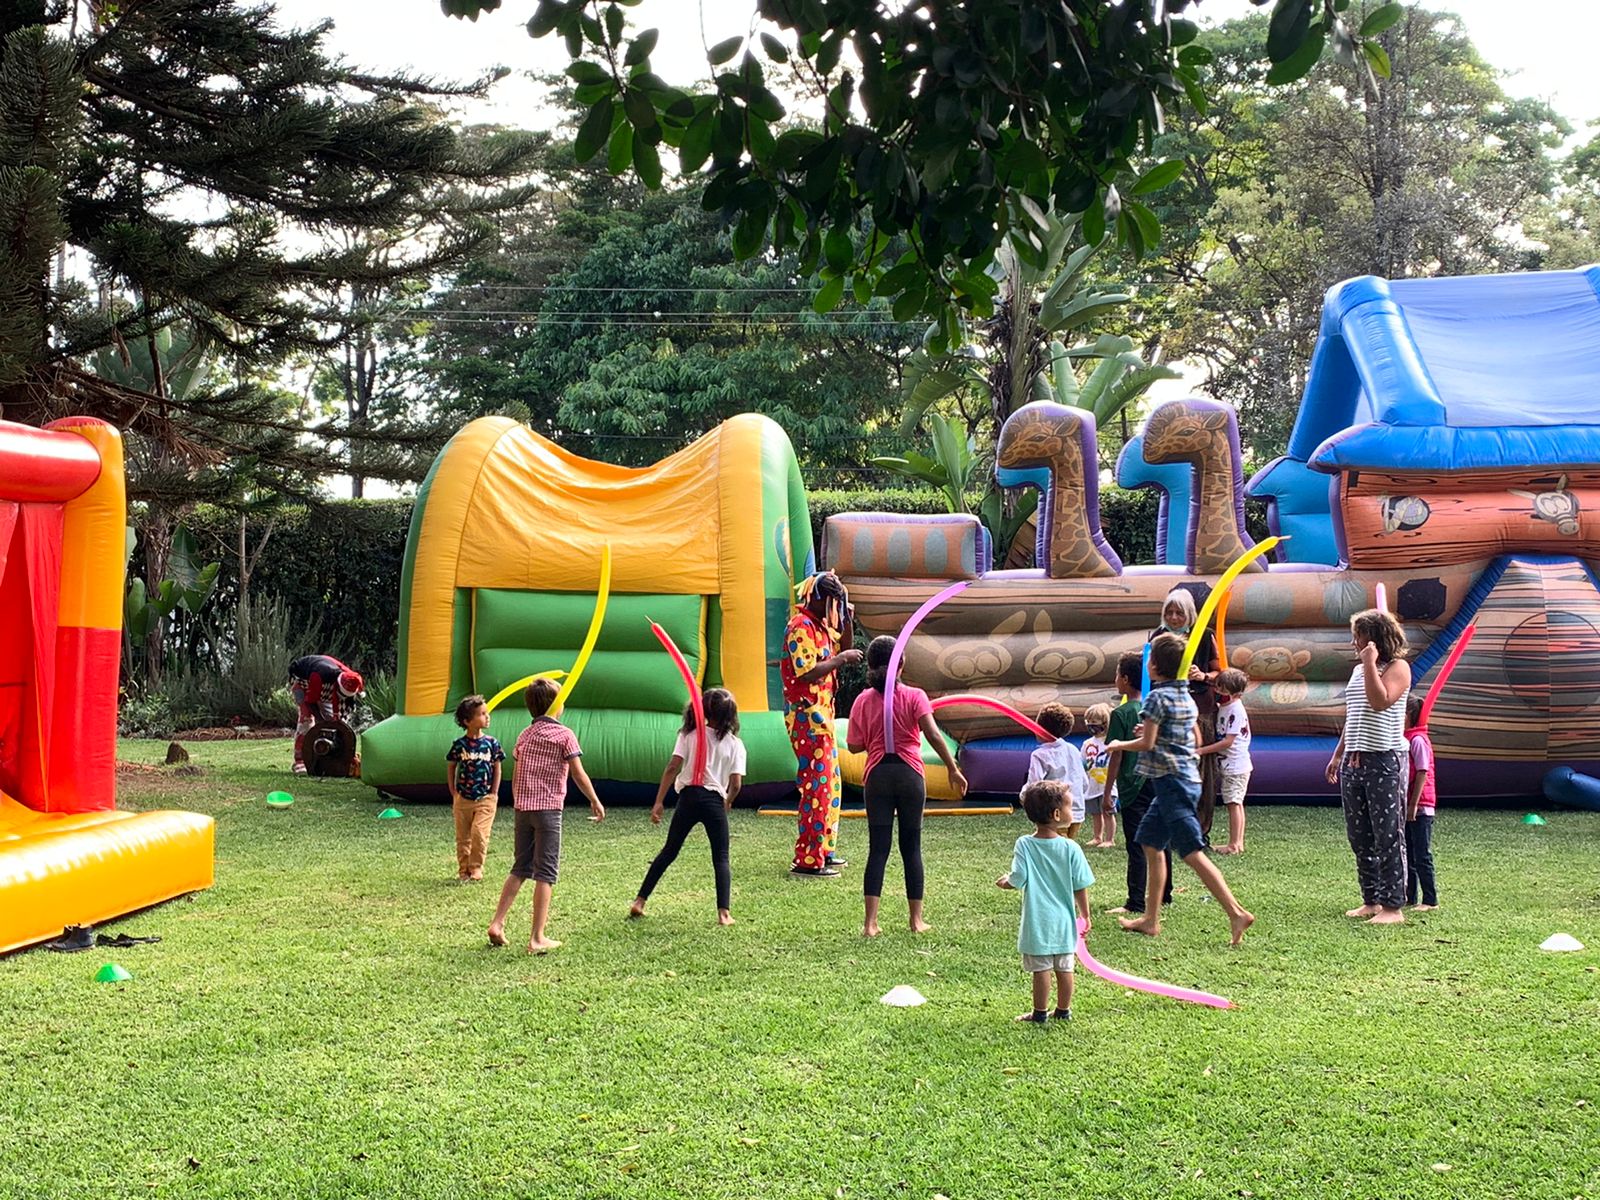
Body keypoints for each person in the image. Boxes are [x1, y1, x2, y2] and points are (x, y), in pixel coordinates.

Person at [1107, 633, 1254, 946]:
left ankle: (1236, 912)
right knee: (1150, 842)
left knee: (1192, 853)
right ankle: (1150, 919)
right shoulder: (1184, 695)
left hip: (1173, 784)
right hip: (1179, 782)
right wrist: (1153, 732)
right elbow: (1187, 735)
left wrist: (1119, 743)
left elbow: (1147, 743)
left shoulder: (1156, 698)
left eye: (1150, 659)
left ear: (1155, 666)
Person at [846, 636, 969, 938]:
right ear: (901, 664)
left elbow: (853, 746)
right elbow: (933, 735)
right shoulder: (915, 696)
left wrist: (874, 736)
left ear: (870, 665)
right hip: (910, 776)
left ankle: (870, 923)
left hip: (877, 777)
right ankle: (916, 920)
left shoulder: (862, 700)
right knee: (911, 848)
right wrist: (953, 768)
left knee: (878, 849)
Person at [487, 677, 606, 953]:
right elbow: (578, 773)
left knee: (520, 867)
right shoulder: (564, 735)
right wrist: (594, 800)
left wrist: (519, 801)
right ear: (556, 705)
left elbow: (518, 771)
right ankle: (537, 937)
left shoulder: (525, 735)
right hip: (548, 810)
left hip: (523, 809)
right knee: (546, 872)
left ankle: (497, 923)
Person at [630, 688, 746, 926]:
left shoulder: (688, 734)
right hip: (714, 800)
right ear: (731, 715)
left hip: (689, 798)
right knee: (721, 857)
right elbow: (735, 784)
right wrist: (727, 801)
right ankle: (724, 914)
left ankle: (639, 901)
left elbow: (672, 767)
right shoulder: (735, 744)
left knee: (669, 851)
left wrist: (659, 801)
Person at [1325, 609, 1411, 926]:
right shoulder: (1360, 670)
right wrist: (1338, 754)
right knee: (1360, 836)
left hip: (1384, 760)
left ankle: (1393, 907)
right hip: (1355, 759)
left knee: (1387, 835)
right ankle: (1371, 900)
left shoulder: (1398, 667)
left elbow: (1380, 701)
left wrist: (1371, 663)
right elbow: (1356, 715)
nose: (1354, 643)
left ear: (1374, 639)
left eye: (1358, 637)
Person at [782, 571, 862, 877]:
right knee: (816, 788)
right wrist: (840, 660)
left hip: (823, 716)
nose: (835, 608)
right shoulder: (800, 626)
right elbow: (806, 672)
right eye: (833, 602)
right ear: (819, 599)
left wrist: (848, 618)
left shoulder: (820, 626)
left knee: (830, 786)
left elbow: (845, 646)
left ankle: (824, 850)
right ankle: (807, 859)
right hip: (807, 717)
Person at [997, 781, 1094, 1024]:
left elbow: (1018, 878)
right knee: (1065, 967)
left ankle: (1039, 1013)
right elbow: (1080, 884)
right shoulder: (1071, 847)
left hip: (1037, 921)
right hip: (1064, 921)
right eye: (1070, 806)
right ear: (1057, 814)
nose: (1073, 810)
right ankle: (1063, 1010)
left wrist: (1006, 882)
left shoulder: (1025, 844)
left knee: (1041, 969)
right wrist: (1085, 915)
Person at [1149, 588, 1222, 837]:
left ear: (1189, 614)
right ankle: (1171, 827)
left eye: (1179, 612)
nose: (1173, 617)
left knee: (1200, 769)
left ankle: (1199, 829)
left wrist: (1202, 675)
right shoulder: (1158, 637)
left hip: (1200, 709)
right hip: (1167, 711)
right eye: (1169, 612)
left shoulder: (1204, 635)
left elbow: (1220, 672)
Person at [1104, 652, 1171, 915]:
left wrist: (1108, 791)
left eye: (1116, 674)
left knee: (1136, 843)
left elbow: (1116, 755)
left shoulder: (1120, 713)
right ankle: (1165, 893)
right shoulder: (1153, 708)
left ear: (1124, 679)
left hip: (1133, 785)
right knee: (1161, 837)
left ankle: (1135, 901)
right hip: (1157, 779)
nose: (1115, 679)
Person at [446, 694, 503, 882]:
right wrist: (454, 792)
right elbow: (451, 767)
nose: (487, 717)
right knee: (463, 837)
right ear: (467, 721)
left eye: (487, 713)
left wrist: (494, 793)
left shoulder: (492, 744)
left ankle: (476, 867)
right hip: (463, 798)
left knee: (479, 833)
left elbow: (497, 768)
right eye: (482, 714)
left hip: (485, 798)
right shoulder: (459, 745)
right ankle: (464, 870)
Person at [1200, 669, 1252, 855]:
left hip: (1236, 765)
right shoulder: (1224, 707)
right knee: (1234, 802)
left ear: (1234, 692)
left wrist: (1201, 750)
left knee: (1233, 803)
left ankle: (1234, 844)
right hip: (1229, 764)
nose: (1217, 691)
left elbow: (1228, 741)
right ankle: (1237, 843)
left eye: (1221, 688)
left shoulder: (1236, 710)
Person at [288, 653, 363, 775]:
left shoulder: (354, 679)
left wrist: (338, 723)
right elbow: (311, 702)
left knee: (336, 721)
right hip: (303, 685)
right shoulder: (320, 675)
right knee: (306, 719)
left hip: (324, 687)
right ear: (337, 685)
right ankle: (300, 761)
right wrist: (322, 722)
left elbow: (344, 709)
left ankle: (336, 757)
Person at [1026, 703, 1088, 839]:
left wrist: (1023, 797)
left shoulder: (1040, 754)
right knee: (1067, 845)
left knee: (1054, 846)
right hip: (1076, 811)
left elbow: (1033, 783)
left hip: (1054, 813)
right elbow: (1084, 782)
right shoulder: (1073, 750)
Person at [1403, 696, 1439, 911]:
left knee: (1421, 854)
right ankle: (1410, 897)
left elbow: (1422, 772)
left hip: (1421, 806)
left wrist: (1413, 805)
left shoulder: (1417, 740)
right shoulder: (1406, 737)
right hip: (1409, 804)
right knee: (1408, 852)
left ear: (1408, 715)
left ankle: (1430, 900)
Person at [1081, 702, 1116, 848]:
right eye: (1088, 721)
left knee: (1108, 813)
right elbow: (1083, 762)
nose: (1091, 725)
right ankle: (1097, 836)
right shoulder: (1087, 743)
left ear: (1104, 723)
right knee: (1095, 813)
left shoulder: (1111, 742)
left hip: (1107, 785)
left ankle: (1110, 839)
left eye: (1094, 721)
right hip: (1092, 784)